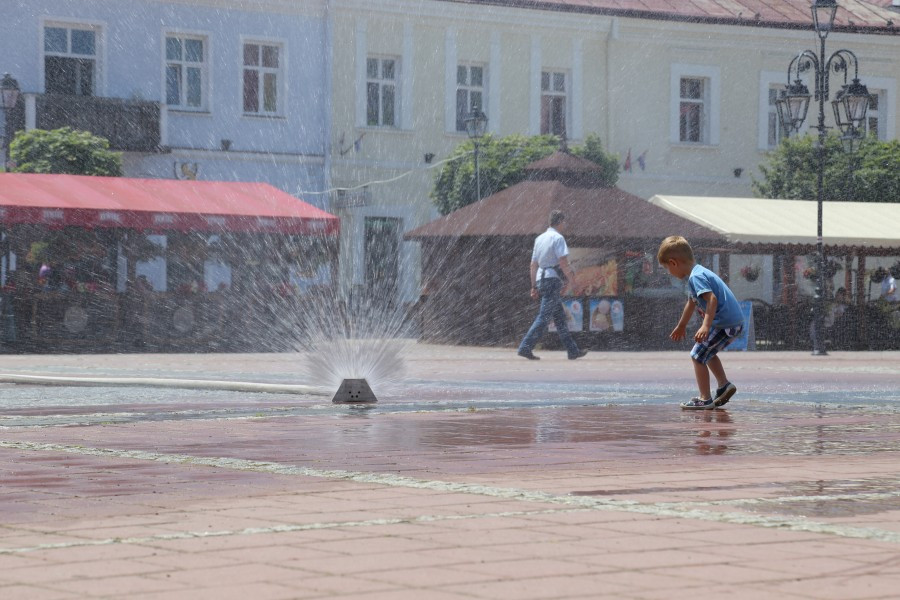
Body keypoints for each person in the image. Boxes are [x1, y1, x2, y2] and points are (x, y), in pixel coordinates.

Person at [658, 236, 744, 410]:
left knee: (697, 355)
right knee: (707, 352)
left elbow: (711, 299)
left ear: (674, 263)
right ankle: (724, 386)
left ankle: (704, 399)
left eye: (667, 268)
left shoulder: (696, 277)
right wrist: (682, 325)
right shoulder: (698, 273)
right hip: (732, 322)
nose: (668, 272)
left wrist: (705, 325)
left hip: (724, 323)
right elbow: (691, 303)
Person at [517, 210, 587, 361]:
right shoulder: (558, 238)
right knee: (543, 317)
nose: (565, 225)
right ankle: (525, 346)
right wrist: (573, 283)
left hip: (541, 278)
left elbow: (533, 265)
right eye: (564, 222)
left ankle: (572, 350)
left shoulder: (539, 238)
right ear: (560, 221)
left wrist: (533, 286)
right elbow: (563, 263)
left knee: (560, 318)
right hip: (552, 280)